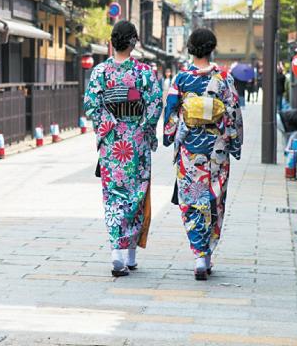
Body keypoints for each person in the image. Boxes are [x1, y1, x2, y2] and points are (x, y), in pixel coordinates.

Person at [83, 20, 163, 277]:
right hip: (136, 140)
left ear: (112, 41)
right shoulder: (144, 73)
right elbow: (154, 104)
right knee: (136, 195)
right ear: (134, 42)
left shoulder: (100, 72)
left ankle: (119, 252)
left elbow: (92, 105)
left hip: (112, 144)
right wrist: (143, 129)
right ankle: (128, 254)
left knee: (114, 196)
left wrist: (108, 127)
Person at [163, 28, 243, 280]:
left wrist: (169, 135)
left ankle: (198, 256)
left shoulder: (182, 79)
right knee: (214, 199)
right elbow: (233, 114)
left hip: (190, 151)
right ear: (212, 48)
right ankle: (207, 255)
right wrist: (235, 143)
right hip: (217, 150)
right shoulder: (224, 79)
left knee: (192, 201)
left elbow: (171, 113)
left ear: (190, 48)